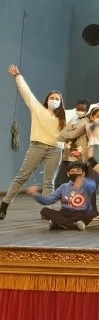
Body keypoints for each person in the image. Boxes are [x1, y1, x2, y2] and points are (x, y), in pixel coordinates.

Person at [1, 64, 67, 220]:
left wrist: (94, 107)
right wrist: (18, 76)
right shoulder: (38, 109)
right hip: (37, 147)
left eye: (57, 99)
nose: (54, 100)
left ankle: (47, 211)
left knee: (49, 182)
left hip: (55, 150)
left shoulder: (65, 116)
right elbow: (27, 93)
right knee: (22, 177)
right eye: (51, 98)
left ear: (60, 102)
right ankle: (4, 204)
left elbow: (81, 114)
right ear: (47, 100)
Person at [25, 162, 97, 231]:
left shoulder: (87, 185)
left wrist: (83, 182)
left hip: (82, 213)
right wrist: (35, 194)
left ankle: (59, 223)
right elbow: (48, 200)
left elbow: (93, 186)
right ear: (68, 174)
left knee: (91, 214)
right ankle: (73, 225)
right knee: (44, 211)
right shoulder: (64, 187)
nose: (75, 173)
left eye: (78, 171)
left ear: (83, 174)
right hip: (65, 213)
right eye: (72, 171)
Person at [55, 99, 91, 189]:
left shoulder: (85, 122)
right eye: (78, 109)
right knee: (59, 180)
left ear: (87, 111)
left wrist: (67, 133)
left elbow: (72, 135)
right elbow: (60, 136)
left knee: (73, 179)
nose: (79, 111)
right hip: (66, 154)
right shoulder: (72, 120)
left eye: (82, 109)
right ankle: (58, 194)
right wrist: (67, 134)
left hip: (77, 156)